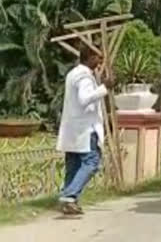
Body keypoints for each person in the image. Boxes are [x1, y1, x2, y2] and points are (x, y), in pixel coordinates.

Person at [56, 46, 113, 215]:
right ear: (89, 57)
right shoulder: (84, 76)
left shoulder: (73, 73)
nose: (100, 61)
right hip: (85, 128)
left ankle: (68, 198)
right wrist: (104, 88)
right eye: (97, 57)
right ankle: (70, 196)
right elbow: (84, 99)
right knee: (92, 162)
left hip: (73, 128)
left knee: (73, 165)